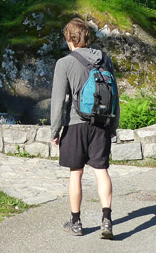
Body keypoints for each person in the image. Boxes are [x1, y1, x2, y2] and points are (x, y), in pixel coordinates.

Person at [50, 17, 120, 239]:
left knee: (76, 173)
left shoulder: (65, 63)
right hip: (101, 124)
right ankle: (106, 220)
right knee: (101, 171)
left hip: (75, 123)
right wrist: (113, 126)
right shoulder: (105, 60)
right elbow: (115, 96)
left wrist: (54, 131)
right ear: (87, 37)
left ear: (69, 39)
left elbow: (58, 100)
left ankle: (76, 222)